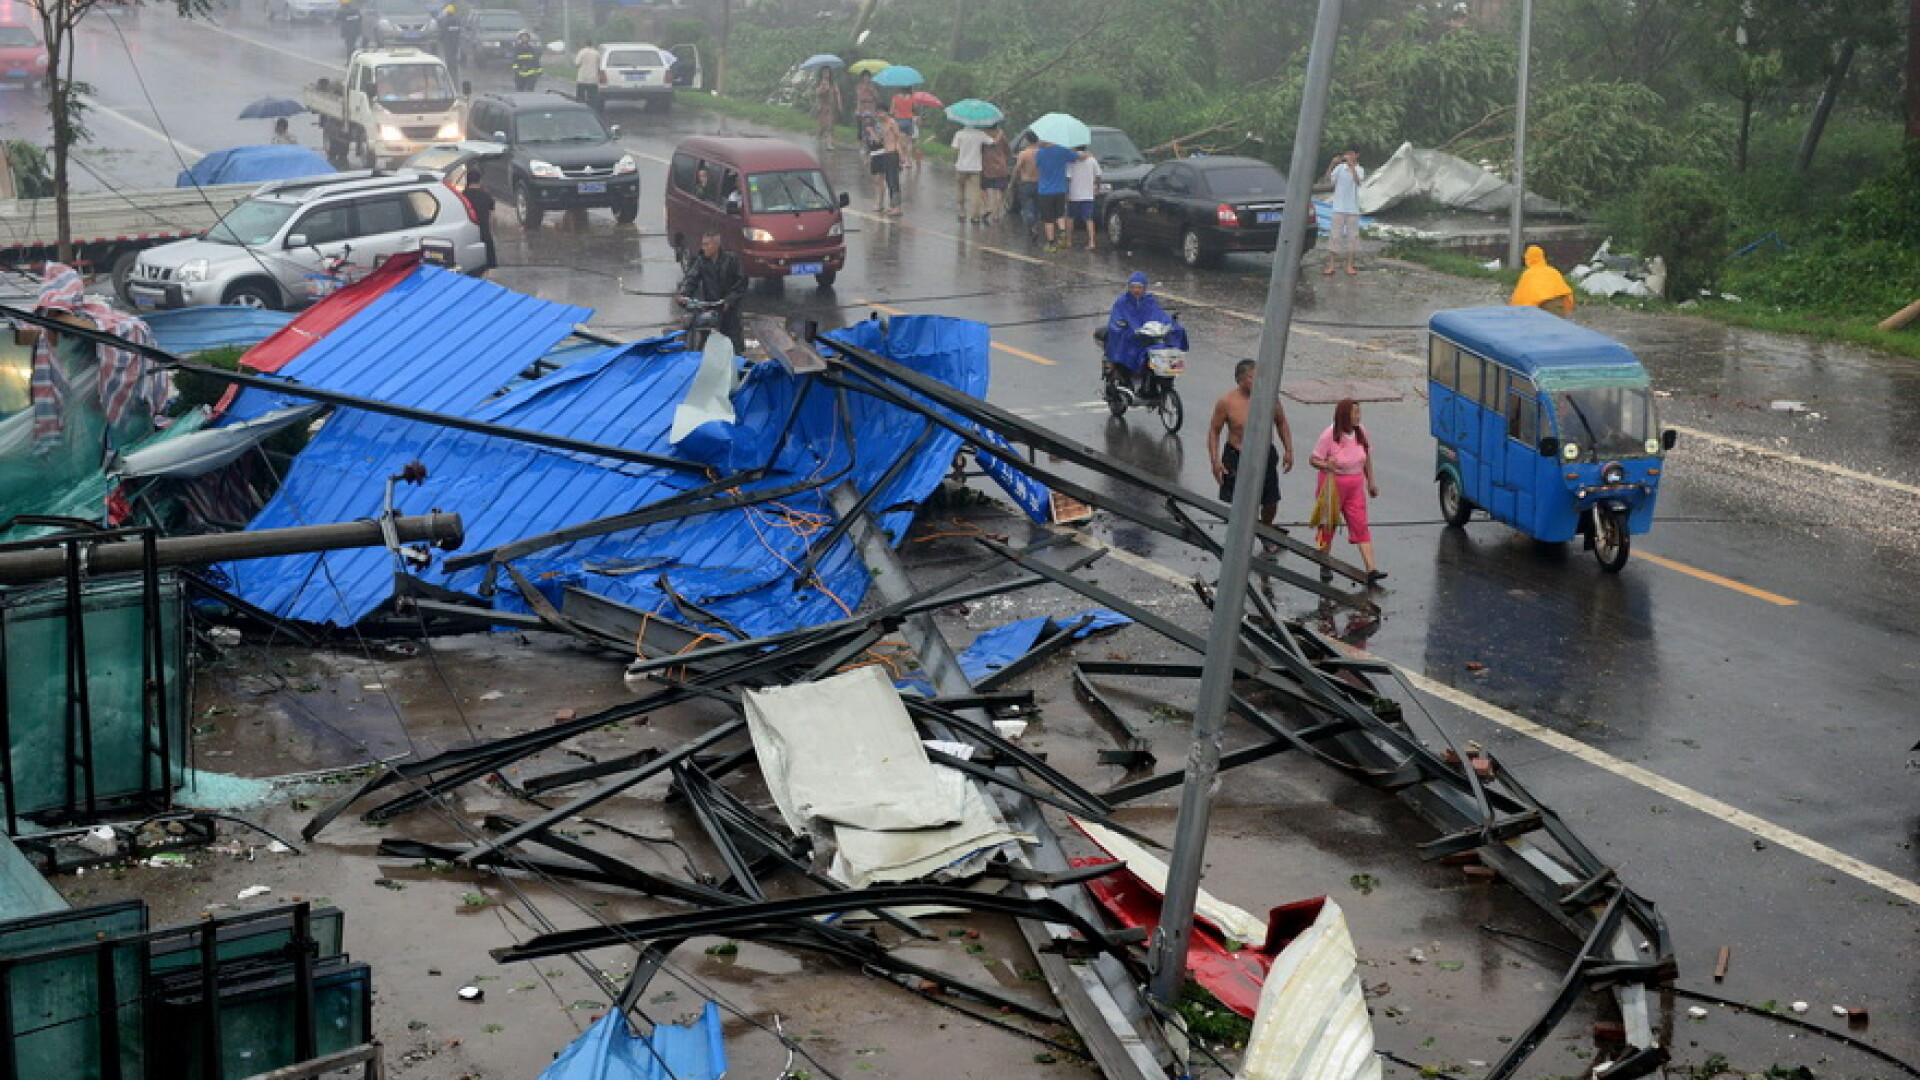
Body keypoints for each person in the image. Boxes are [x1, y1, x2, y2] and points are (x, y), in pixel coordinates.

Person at [1208, 359, 1294, 531]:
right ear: (1240, 380)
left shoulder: (1269, 398)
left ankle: (1266, 530)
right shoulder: (1227, 402)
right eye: (1251, 377)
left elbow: (1282, 423)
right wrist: (1215, 461)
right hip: (1237, 456)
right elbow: (1214, 431)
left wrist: (1288, 450)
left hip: (1264, 454)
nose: (1257, 380)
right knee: (1241, 503)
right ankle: (1240, 536)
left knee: (1270, 500)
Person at [1309, 397, 1384, 583]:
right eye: (1354, 413)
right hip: (1332, 484)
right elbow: (1313, 459)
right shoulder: (1329, 434)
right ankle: (1324, 562)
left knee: (1360, 524)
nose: (1358, 417)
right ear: (1344, 415)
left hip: (1355, 485)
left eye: (1359, 412)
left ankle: (1371, 568)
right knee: (1327, 525)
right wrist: (1327, 465)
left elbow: (1366, 458)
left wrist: (1371, 482)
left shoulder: (1361, 432)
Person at [1104, 270, 1187, 393]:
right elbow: (1116, 320)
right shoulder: (1122, 302)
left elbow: (1159, 316)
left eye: (1139, 287)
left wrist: (1171, 326)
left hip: (1148, 337)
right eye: (1133, 287)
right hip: (1129, 338)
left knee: (1161, 350)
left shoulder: (1149, 301)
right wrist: (1128, 329)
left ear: (1145, 288)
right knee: (1127, 351)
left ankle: (1152, 382)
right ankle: (1127, 380)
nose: (1136, 290)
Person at [676, 230, 749, 355]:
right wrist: (683, 294)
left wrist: (729, 300)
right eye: (703, 244)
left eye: (707, 244)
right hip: (711, 307)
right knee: (706, 337)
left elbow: (741, 283)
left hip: (729, 310)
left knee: (733, 343)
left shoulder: (732, 260)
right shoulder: (701, 261)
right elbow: (691, 279)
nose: (703, 248)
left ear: (716, 245)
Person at [1033, 141, 1079, 251]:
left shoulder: (1039, 153)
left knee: (1048, 219)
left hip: (1045, 191)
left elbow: (1037, 165)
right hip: (1060, 189)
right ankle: (1062, 232)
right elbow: (1076, 156)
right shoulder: (1062, 151)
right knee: (1060, 215)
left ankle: (1051, 244)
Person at [1326, 148, 1364, 275]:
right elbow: (1328, 179)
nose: (1349, 156)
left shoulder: (1359, 169)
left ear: (1357, 155)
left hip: (1352, 209)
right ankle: (1331, 265)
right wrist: (1332, 164)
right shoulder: (1340, 168)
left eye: (1352, 154)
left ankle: (1349, 265)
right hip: (1338, 208)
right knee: (1335, 236)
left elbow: (1358, 181)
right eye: (1347, 153)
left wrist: (1352, 166)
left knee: (1352, 238)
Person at [1511, 244, 1575, 315]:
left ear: (1528, 259)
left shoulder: (1529, 274)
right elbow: (1565, 290)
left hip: (1543, 308)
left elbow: (1520, 298)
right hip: (1559, 305)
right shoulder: (1553, 271)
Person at [950, 123, 991, 224]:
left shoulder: (959, 134)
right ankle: (975, 216)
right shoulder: (981, 134)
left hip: (961, 166)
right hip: (975, 167)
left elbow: (955, 149)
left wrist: (955, 161)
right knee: (975, 192)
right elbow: (992, 142)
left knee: (961, 188)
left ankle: (962, 212)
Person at [1065, 149, 1102, 250]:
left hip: (1074, 194)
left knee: (1070, 218)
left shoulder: (1071, 160)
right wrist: (1097, 187)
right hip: (1088, 194)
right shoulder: (1092, 159)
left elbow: (1068, 178)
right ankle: (1092, 242)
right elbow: (1098, 175)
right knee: (1089, 219)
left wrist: (1066, 192)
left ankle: (1068, 241)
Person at [464, 169, 496, 273]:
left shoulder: (462, 196)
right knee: (487, 268)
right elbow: (491, 215)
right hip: (485, 234)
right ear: (479, 181)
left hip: (468, 235)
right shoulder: (486, 195)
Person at [978, 125, 1010, 223]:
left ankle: (987, 207)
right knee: (998, 190)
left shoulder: (983, 135)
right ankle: (996, 214)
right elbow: (1007, 150)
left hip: (986, 166)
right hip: (1000, 166)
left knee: (983, 188)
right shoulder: (1002, 135)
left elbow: (979, 150)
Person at [1011, 139, 1040, 238]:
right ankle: (1035, 226)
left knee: (1027, 207)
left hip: (1026, 182)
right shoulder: (1040, 153)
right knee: (1037, 208)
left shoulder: (1023, 154)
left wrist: (1012, 182)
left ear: (1027, 141)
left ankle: (1031, 225)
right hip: (1038, 183)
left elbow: (1017, 168)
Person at [888, 92, 921, 167]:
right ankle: (908, 162)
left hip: (899, 121)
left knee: (899, 142)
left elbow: (891, 111)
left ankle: (900, 161)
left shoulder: (895, 98)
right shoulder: (912, 98)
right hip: (909, 121)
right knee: (909, 143)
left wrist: (896, 111)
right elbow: (915, 108)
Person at [811, 69, 842, 149]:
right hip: (823, 107)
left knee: (829, 126)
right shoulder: (821, 83)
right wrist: (823, 89)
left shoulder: (833, 83)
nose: (826, 74)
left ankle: (828, 144)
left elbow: (837, 94)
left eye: (827, 72)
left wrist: (839, 105)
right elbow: (817, 94)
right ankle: (818, 138)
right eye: (824, 72)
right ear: (822, 74)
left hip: (831, 107)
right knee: (823, 126)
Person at [573, 39, 601, 110]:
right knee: (593, 97)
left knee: (580, 97)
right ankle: (593, 110)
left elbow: (577, 63)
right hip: (593, 78)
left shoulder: (582, 52)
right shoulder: (596, 53)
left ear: (584, 44)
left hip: (582, 78)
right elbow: (598, 65)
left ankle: (581, 110)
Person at [438, 4, 461, 74]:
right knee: (454, 54)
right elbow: (459, 30)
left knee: (448, 54)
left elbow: (442, 30)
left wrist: (440, 38)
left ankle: (449, 68)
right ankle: (454, 67)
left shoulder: (443, 20)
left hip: (447, 40)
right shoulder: (457, 19)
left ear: (447, 11)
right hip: (455, 40)